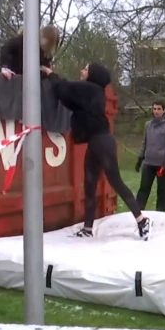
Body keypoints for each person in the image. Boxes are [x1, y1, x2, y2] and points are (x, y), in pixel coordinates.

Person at [42, 63, 151, 240]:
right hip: (96, 141)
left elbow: (65, 88)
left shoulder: (90, 89)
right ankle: (87, 228)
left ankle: (141, 220)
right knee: (90, 185)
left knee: (115, 181)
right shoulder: (92, 91)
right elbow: (68, 98)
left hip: (101, 141)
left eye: (85, 69)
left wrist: (50, 73)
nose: (81, 71)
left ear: (93, 75)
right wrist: (53, 78)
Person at [135, 101, 165, 212]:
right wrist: (140, 158)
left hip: (162, 164)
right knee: (144, 188)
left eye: (159, 109)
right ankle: (137, 212)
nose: (156, 111)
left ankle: (160, 213)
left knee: (162, 190)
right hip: (148, 162)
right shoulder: (148, 125)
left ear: (164, 110)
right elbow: (144, 142)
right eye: (154, 109)